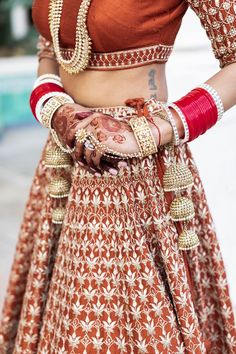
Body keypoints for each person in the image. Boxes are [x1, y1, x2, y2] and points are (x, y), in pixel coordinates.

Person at [0, 0, 236, 353]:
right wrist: (58, 112)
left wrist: (155, 130)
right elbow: (48, 53)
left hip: (135, 173)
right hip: (66, 163)